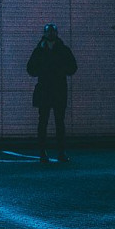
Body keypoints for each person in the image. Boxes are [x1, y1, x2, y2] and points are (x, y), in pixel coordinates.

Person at [26, 23, 78, 164]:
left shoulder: (42, 50)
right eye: (49, 32)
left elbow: (73, 67)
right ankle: (51, 152)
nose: (50, 34)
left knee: (52, 122)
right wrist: (60, 71)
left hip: (51, 89)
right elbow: (30, 68)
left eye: (51, 31)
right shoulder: (58, 49)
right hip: (54, 89)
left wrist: (44, 71)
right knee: (49, 122)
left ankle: (52, 152)